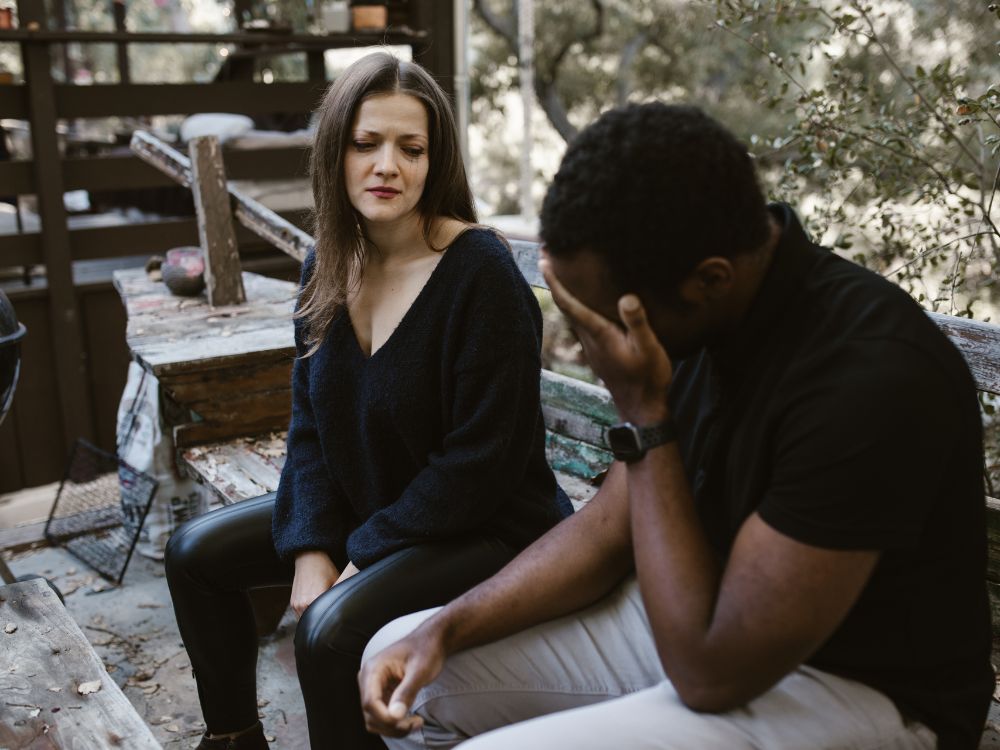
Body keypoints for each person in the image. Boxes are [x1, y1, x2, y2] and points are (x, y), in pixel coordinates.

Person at [358, 103, 993, 750]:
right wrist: (446, 629)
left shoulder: (869, 378)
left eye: (601, 320)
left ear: (709, 279)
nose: (586, 346)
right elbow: (610, 525)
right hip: (696, 616)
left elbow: (710, 675)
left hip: (857, 689)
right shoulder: (706, 309)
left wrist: (645, 413)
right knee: (404, 663)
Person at [165, 52, 568, 750]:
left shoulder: (480, 273)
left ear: (433, 162)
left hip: (488, 527)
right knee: (194, 553)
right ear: (335, 155)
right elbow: (311, 429)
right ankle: (233, 739)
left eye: (410, 149)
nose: (388, 165)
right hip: (374, 503)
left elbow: (480, 464)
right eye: (366, 144)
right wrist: (310, 546)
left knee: (328, 630)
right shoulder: (327, 264)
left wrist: (356, 555)